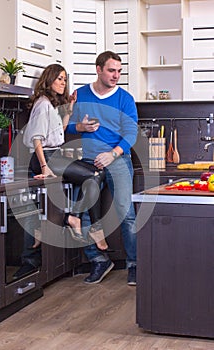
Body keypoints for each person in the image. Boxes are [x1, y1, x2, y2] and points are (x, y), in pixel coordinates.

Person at [66, 51, 138, 285]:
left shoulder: (124, 99)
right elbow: (66, 128)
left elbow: (131, 133)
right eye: (111, 70)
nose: (116, 75)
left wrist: (112, 154)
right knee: (84, 213)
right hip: (87, 162)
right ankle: (98, 260)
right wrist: (80, 127)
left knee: (127, 214)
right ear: (98, 69)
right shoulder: (81, 95)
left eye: (119, 71)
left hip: (118, 159)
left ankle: (134, 265)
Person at [22, 63, 108, 250]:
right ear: (49, 79)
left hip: (54, 156)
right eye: (59, 79)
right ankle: (93, 227)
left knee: (98, 173)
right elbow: (37, 138)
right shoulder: (42, 104)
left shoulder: (50, 105)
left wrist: (69, 109)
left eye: (65, 79)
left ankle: (73, 217)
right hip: (45, 157)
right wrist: (45, 167)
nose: (63, 83)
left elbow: (58, 131)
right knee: (93, 176)